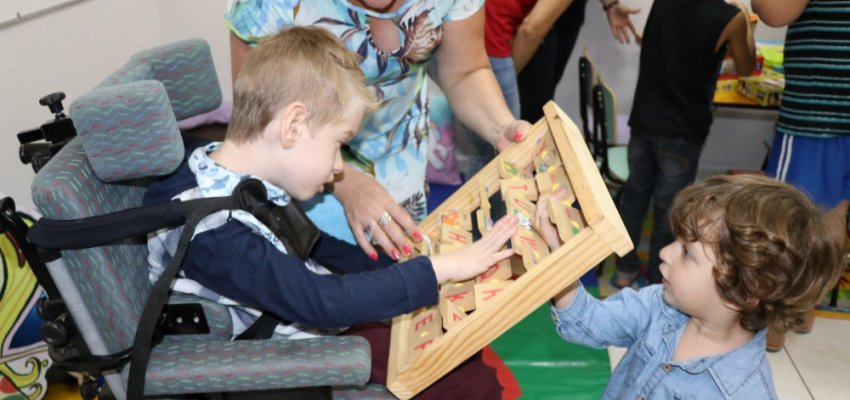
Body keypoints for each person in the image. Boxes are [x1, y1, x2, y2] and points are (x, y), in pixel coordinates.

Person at [144, 26, 518, 398]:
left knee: (464, 358)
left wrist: (415, 264)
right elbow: (319, 300)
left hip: (309, 325)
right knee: (470, 382)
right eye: (339, 144)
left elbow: (319, 248)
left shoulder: (231, 173)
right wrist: (437, 270)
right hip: (288, 356)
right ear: (293, 126)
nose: (339, 166)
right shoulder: (210, 230)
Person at [226, 0, 530, 262]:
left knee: (395, 295)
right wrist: (344, 181)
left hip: (400, 152)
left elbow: (465, 70)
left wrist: (501, 127)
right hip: (300, 169)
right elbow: (258, 123)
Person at [533, 174, 841, 399]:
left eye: (687, 252)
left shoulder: (744, 393)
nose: (664, 253)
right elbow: (591, 323)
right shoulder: (659, 304)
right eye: (675, 241)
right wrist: (563, 262)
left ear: (741, 291)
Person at [612, 0, 756, 288]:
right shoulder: (731, 18)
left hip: (645, 119)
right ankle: (657, 280)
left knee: (635, 198)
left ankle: (624, 272)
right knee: (669, 209)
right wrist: (748, 26)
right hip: (682, 129)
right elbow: (747, 66)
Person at [751, 0, 850, 352]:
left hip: (819, 109)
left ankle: (776, 323)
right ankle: (805, 308)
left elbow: (776, 11)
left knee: (785, 219)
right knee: (835, 216)